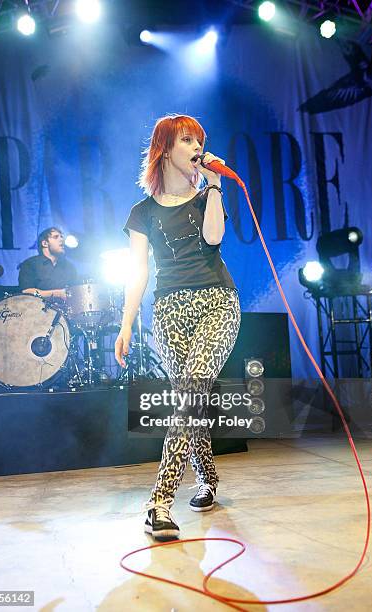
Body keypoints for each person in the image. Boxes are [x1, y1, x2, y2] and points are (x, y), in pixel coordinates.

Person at [115, 114, 241, 541]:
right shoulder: (142, 212)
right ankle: (208, 480)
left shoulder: (208, 194)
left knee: (191, 392)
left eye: (199, 140)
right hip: (169, 310)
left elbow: (213, 238)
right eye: (186, 139)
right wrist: (127, 323)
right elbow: (138, 271)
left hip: (217, 302)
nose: (195, 146)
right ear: (165, 147)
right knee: (192, 399)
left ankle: (159, 502)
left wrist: (215, 186)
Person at [18, 227, 77, 299]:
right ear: (45, 243)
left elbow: (76, 291)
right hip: (38, 308)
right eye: (56, 237)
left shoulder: (69, 267)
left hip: (67, 308)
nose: (61, 239)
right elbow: (26, 291)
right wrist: (57, 293)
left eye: (62, 237)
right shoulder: (30, 264)